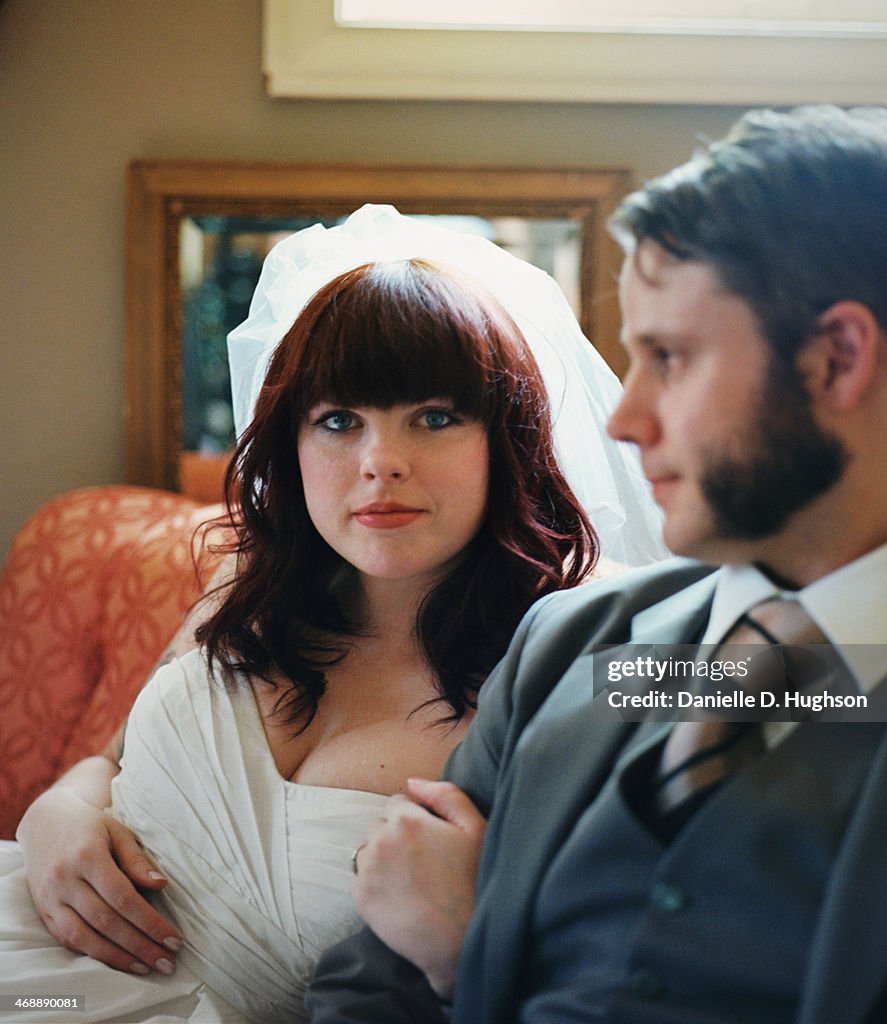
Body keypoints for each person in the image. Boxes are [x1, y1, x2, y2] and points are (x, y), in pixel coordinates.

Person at [307, 107, 887, 1023]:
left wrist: (468, 961)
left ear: (837, 361)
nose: (623, 420)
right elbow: (365, 993)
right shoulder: (566, 642)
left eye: (669, 358)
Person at [1, 206, 665, 1023]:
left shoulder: (595, 633)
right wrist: (56, 810)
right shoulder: (252, 584)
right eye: (339, 420)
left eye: (434, 416)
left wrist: (478, 946)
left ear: (508, 439)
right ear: (294, 445)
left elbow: (849, 690)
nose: (380, 463)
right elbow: (110, 758)